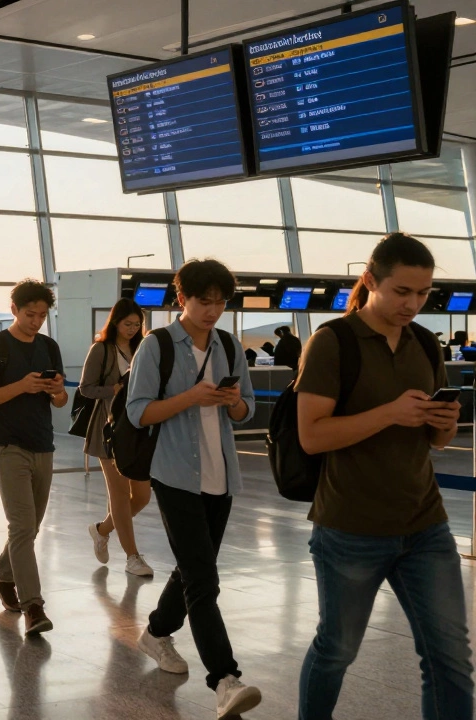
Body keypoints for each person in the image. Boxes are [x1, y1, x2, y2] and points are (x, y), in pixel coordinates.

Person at [295, 233, 473, 719]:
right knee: (338, 650)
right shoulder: (332, 342)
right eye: (401, 292)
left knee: (450, 657)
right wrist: (390, 413)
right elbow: (312, 436)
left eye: (423, 293)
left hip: (425, 524)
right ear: (370, 281)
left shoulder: (422, 343)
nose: (413, 304)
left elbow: (434, 443)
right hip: (350, 527)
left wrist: (443, 425)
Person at [126, 259, 262, 716]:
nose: (214, 310)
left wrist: (233, 401)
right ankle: (225, 679)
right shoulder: (157, 345)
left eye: (222, 301)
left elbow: (248, 411)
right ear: (182, 298)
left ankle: (157, 631)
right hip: (175, 475)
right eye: (205, 301)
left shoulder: (228, 344)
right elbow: (138, 412)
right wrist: (192, 397)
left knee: (191, 568)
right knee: (203, 579)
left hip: (220, 475)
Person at [0, 279, 67, 637]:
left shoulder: (49, 347)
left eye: (42, 315)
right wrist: (21, 387)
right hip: (7, 446)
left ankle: (2, 577)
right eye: (30, 314)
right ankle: (34, 606)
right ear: (14, 310)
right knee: (22, 526)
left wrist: (56, 392)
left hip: (44, 444)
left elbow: (60, 402)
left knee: (31, 527)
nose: (36, 321)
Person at [82, 298, 154, 578]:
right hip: (109, 430)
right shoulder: (101, 349)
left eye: (137, 325)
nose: (133, 329)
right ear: (115, 322)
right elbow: (87, 389)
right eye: (128, 324)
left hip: (137, 429)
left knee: (143, 496)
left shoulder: (143, 349)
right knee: (120, 495)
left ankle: (101, 530)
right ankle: (132, 557)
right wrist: (113, 389)